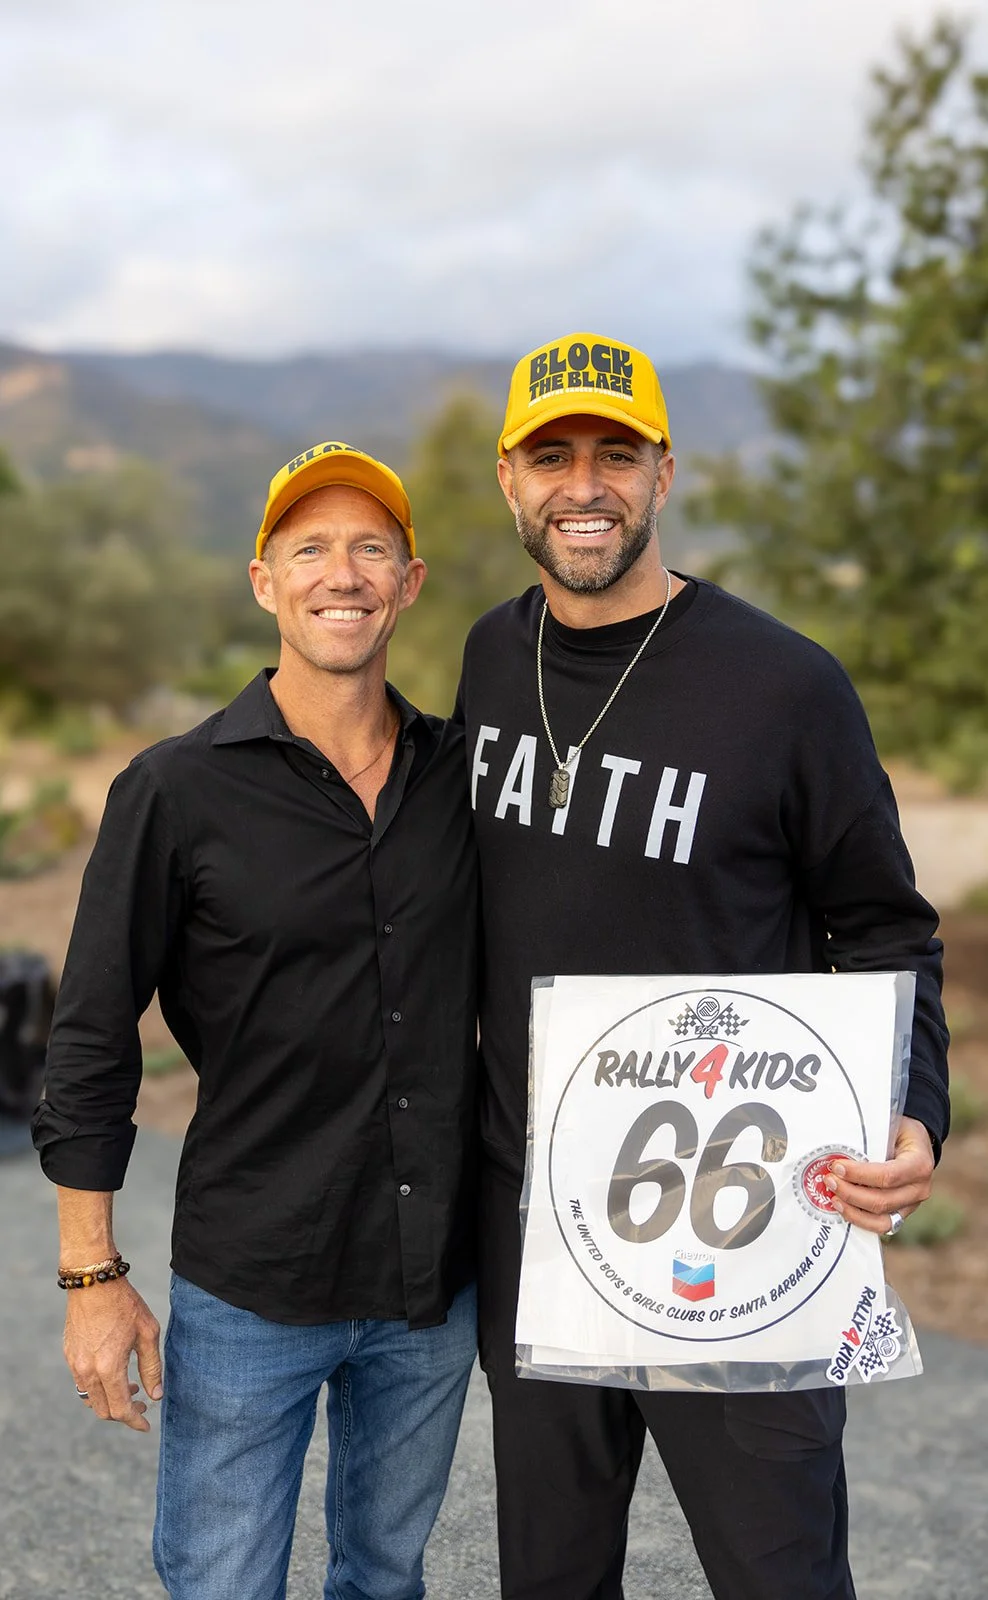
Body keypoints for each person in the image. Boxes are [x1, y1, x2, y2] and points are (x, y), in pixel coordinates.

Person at [454, 332, 950, 1600]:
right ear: (507, 480)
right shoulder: (488, 661)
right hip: (543, 1226)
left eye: (614, 454)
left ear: (664, 473)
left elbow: (883, 926)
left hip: (745, 1222)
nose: (584, 485)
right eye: (551, 455)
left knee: (777, 1572)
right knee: (551, 1578)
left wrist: (916, 1116)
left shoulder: (783, 685)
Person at [33, 442, 479, 1600]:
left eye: (372, 547)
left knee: (386, 1577)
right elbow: (88, 1036)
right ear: (264, 581)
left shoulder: (463, 780)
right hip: (254, 1280)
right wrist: (92, 1275)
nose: (345, 572)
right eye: (312, 548)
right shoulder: (175, 791)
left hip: (431, 1282)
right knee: (223, 1581)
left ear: (411, 581)